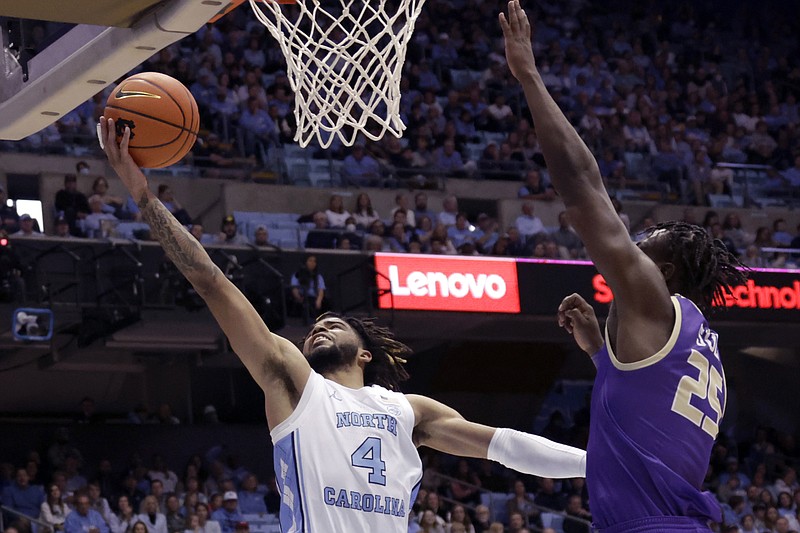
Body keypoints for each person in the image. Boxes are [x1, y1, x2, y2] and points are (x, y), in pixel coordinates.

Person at [100, 116, 587, 533]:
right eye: (315, 325)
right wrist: (143, 196)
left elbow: (504, 446)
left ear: (366, 353)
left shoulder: (409, 411)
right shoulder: (292, 379)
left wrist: (591, 464)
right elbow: (211, 282)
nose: (319, 328)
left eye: (334, 323)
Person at [500, 2, 747, 532]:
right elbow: (648, 423)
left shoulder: (658, 302)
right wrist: (599, 353)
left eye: (644, 247)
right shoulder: (702, 344)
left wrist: (529, 77)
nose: (631, 250)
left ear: (669, 273)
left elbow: (583, 185)